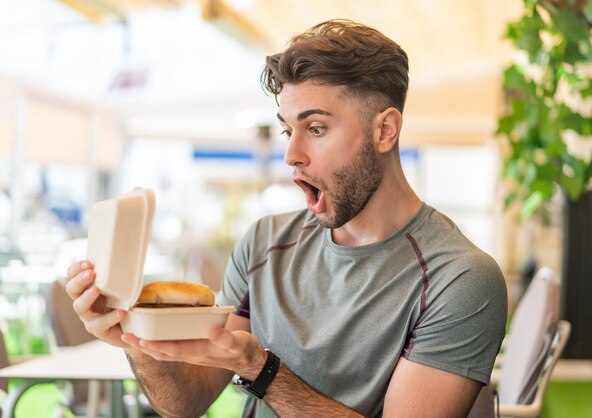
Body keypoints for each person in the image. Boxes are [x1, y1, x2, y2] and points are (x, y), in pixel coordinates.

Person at [66, 19, 507, 418]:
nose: (291, 155)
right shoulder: (265, 243)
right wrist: (135, 338)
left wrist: (261, 370)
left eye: (315, 129)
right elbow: (185, 402)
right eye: (287, 129)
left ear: (385, 131)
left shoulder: (459, 277)